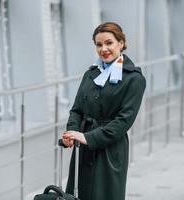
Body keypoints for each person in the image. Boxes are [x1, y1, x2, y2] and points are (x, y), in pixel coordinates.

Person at [62, 22, 146, 200]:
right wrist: (72, 133)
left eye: (109, 43)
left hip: (110, 149)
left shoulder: (134, 79)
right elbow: (77, 109)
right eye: (99, 45)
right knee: (79, 194)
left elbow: (124, 121)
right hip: (83, 147)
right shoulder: (91, 73)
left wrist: (87, 138)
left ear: (120, 43)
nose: (104, 49)